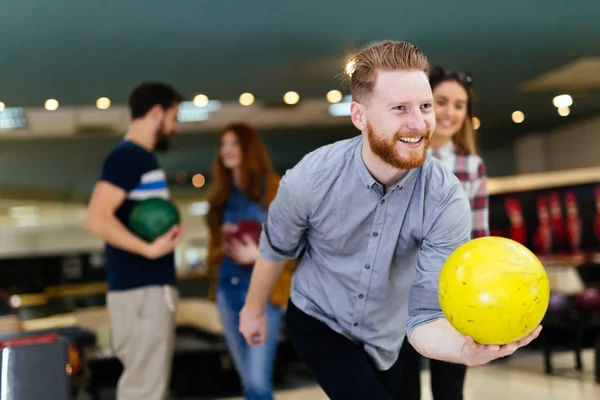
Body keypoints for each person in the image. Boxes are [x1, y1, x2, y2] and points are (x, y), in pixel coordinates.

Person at [237, 41, 541, 400]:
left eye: (425, 106)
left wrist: (464, 351)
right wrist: (253, 309)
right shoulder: (311, 178)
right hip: (320, 319)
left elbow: (427, 313)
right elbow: (277, 247)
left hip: (389, 334)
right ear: (359, 116)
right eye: (400, 108)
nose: (419, 123)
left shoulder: (445, 198)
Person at [86, 82, 184, 400]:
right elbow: (97, 218)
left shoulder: (141, 159)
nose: (175, 127)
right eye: (173, 117)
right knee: (144, 390)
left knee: (149, 388)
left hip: (146, 291)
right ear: (156, 113)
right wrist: (149, 249)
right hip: (141, 292)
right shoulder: (129, 158)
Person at [397, 66, 490, 400]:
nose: (450, 112)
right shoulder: (401, 156)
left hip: (455, 292)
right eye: (441, 101)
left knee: (450, 391)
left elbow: (478, 237)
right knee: (403, 388)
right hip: (400, 293)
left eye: (459, 105)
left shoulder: (471, 166)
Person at [205, 122, 294, 400]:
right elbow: (215, 252)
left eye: (235, 144)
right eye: (223, 145)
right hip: (227, 291)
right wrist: (224, 240)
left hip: (263, 292)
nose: (227, 150)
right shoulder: (220, 197)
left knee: (257, 382)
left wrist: (260, 255)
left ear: (249, 148)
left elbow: (296, 241)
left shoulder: (275, 188)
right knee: (247, 381)